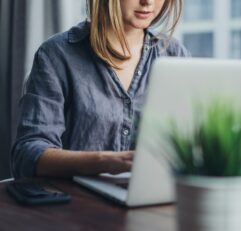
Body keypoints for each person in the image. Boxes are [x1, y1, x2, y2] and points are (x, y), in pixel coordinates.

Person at [11, 0, 189, 178]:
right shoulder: (56, 55)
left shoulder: (175, 55)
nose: (148, 2)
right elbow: (27, 155)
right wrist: (105, 162)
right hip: (77, 201)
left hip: (152, 200)